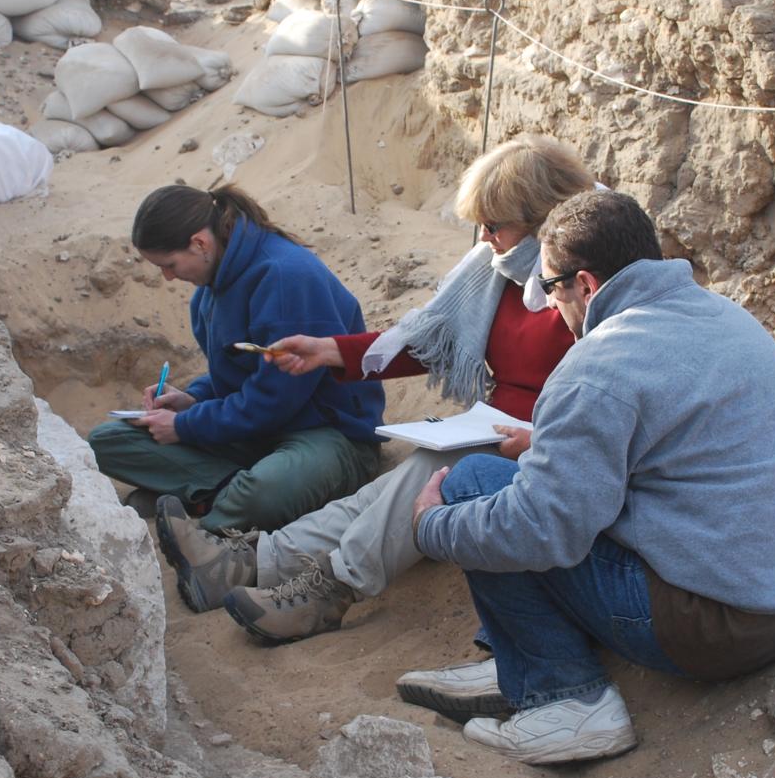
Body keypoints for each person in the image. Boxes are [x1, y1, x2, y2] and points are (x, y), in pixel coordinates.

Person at [404, 190, 775, 765]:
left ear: (584, 285)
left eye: (550, 289)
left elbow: (539, 532)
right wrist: (554, 443)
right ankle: (516, 659)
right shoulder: (724, 315)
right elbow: (677, 443)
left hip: (719, 627)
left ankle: (566, 698)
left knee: (475, 484)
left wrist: (432, 528)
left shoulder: (597, 366)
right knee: (523, 483)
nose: (551, 306)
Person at [155, 136, 594, 641]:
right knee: (378, 494)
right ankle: (250, 561)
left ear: (541, 218)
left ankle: (331, 590)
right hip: (492, 428)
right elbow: (427, 342)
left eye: (495, 226)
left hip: (542, 443)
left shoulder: (579, 285)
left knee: (433, 473)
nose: (485, 238)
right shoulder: (497, 271)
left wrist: (538, 438)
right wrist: (330, 351)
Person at [87, 183, 385, 540]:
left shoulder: (284, 279)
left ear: (200, 243)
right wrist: (193, 399)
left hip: (328, 436)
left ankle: (210, 502)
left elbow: (272, 403)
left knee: (264, 494)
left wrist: (184, 426)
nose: (167, 277)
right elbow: (235, 376)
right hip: (258, 434)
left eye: (169, 265)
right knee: (106, 441)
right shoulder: (210, 291)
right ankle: (218, 494)